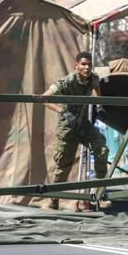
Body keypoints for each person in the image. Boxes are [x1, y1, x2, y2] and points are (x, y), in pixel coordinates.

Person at [40, 51, 109, 210]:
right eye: (83, 64)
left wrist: (99, 106)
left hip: (84, 125)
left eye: (89, 64)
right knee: (63, 166)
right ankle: (53, 199)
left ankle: (99, 193)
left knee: (102, 149)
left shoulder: (93, 78)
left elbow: (97, 88)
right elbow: (44, 98)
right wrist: (63, 112)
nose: (87, 67)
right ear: (76, 66)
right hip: (68, 128)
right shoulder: (68, 81)